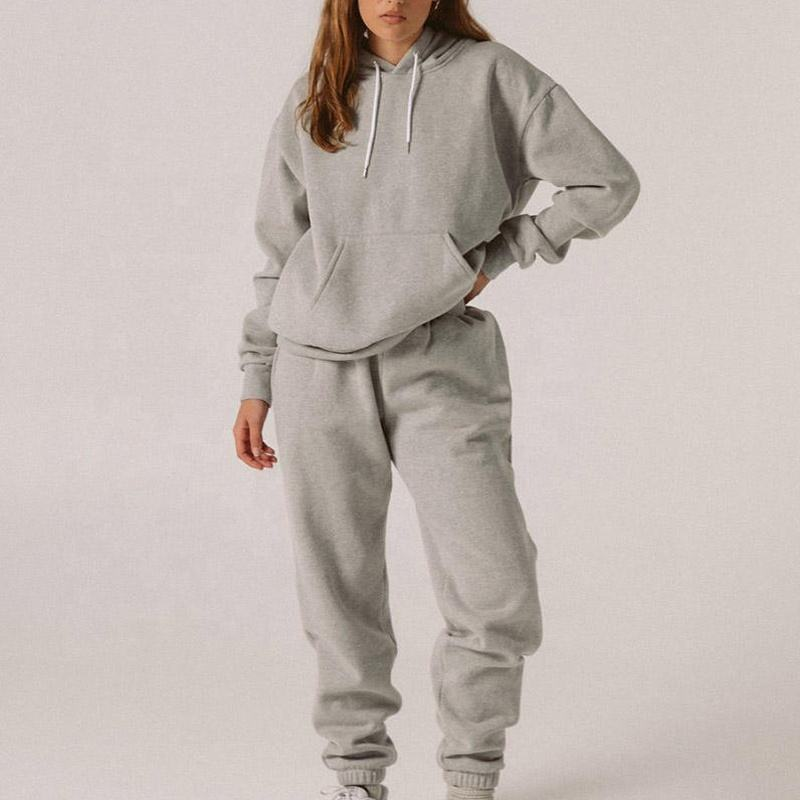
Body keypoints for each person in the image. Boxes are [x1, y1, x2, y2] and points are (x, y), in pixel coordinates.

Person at [233, 2, 640, 798]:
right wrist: (257, 375)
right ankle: (356, 773)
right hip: (314, 367)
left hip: (442, 359)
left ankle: (471, 770)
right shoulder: (316, 89)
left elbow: (606, 182)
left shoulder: (495, 78)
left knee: (496, 584)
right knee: (338, 588)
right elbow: (282, 247)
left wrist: (503, 253)